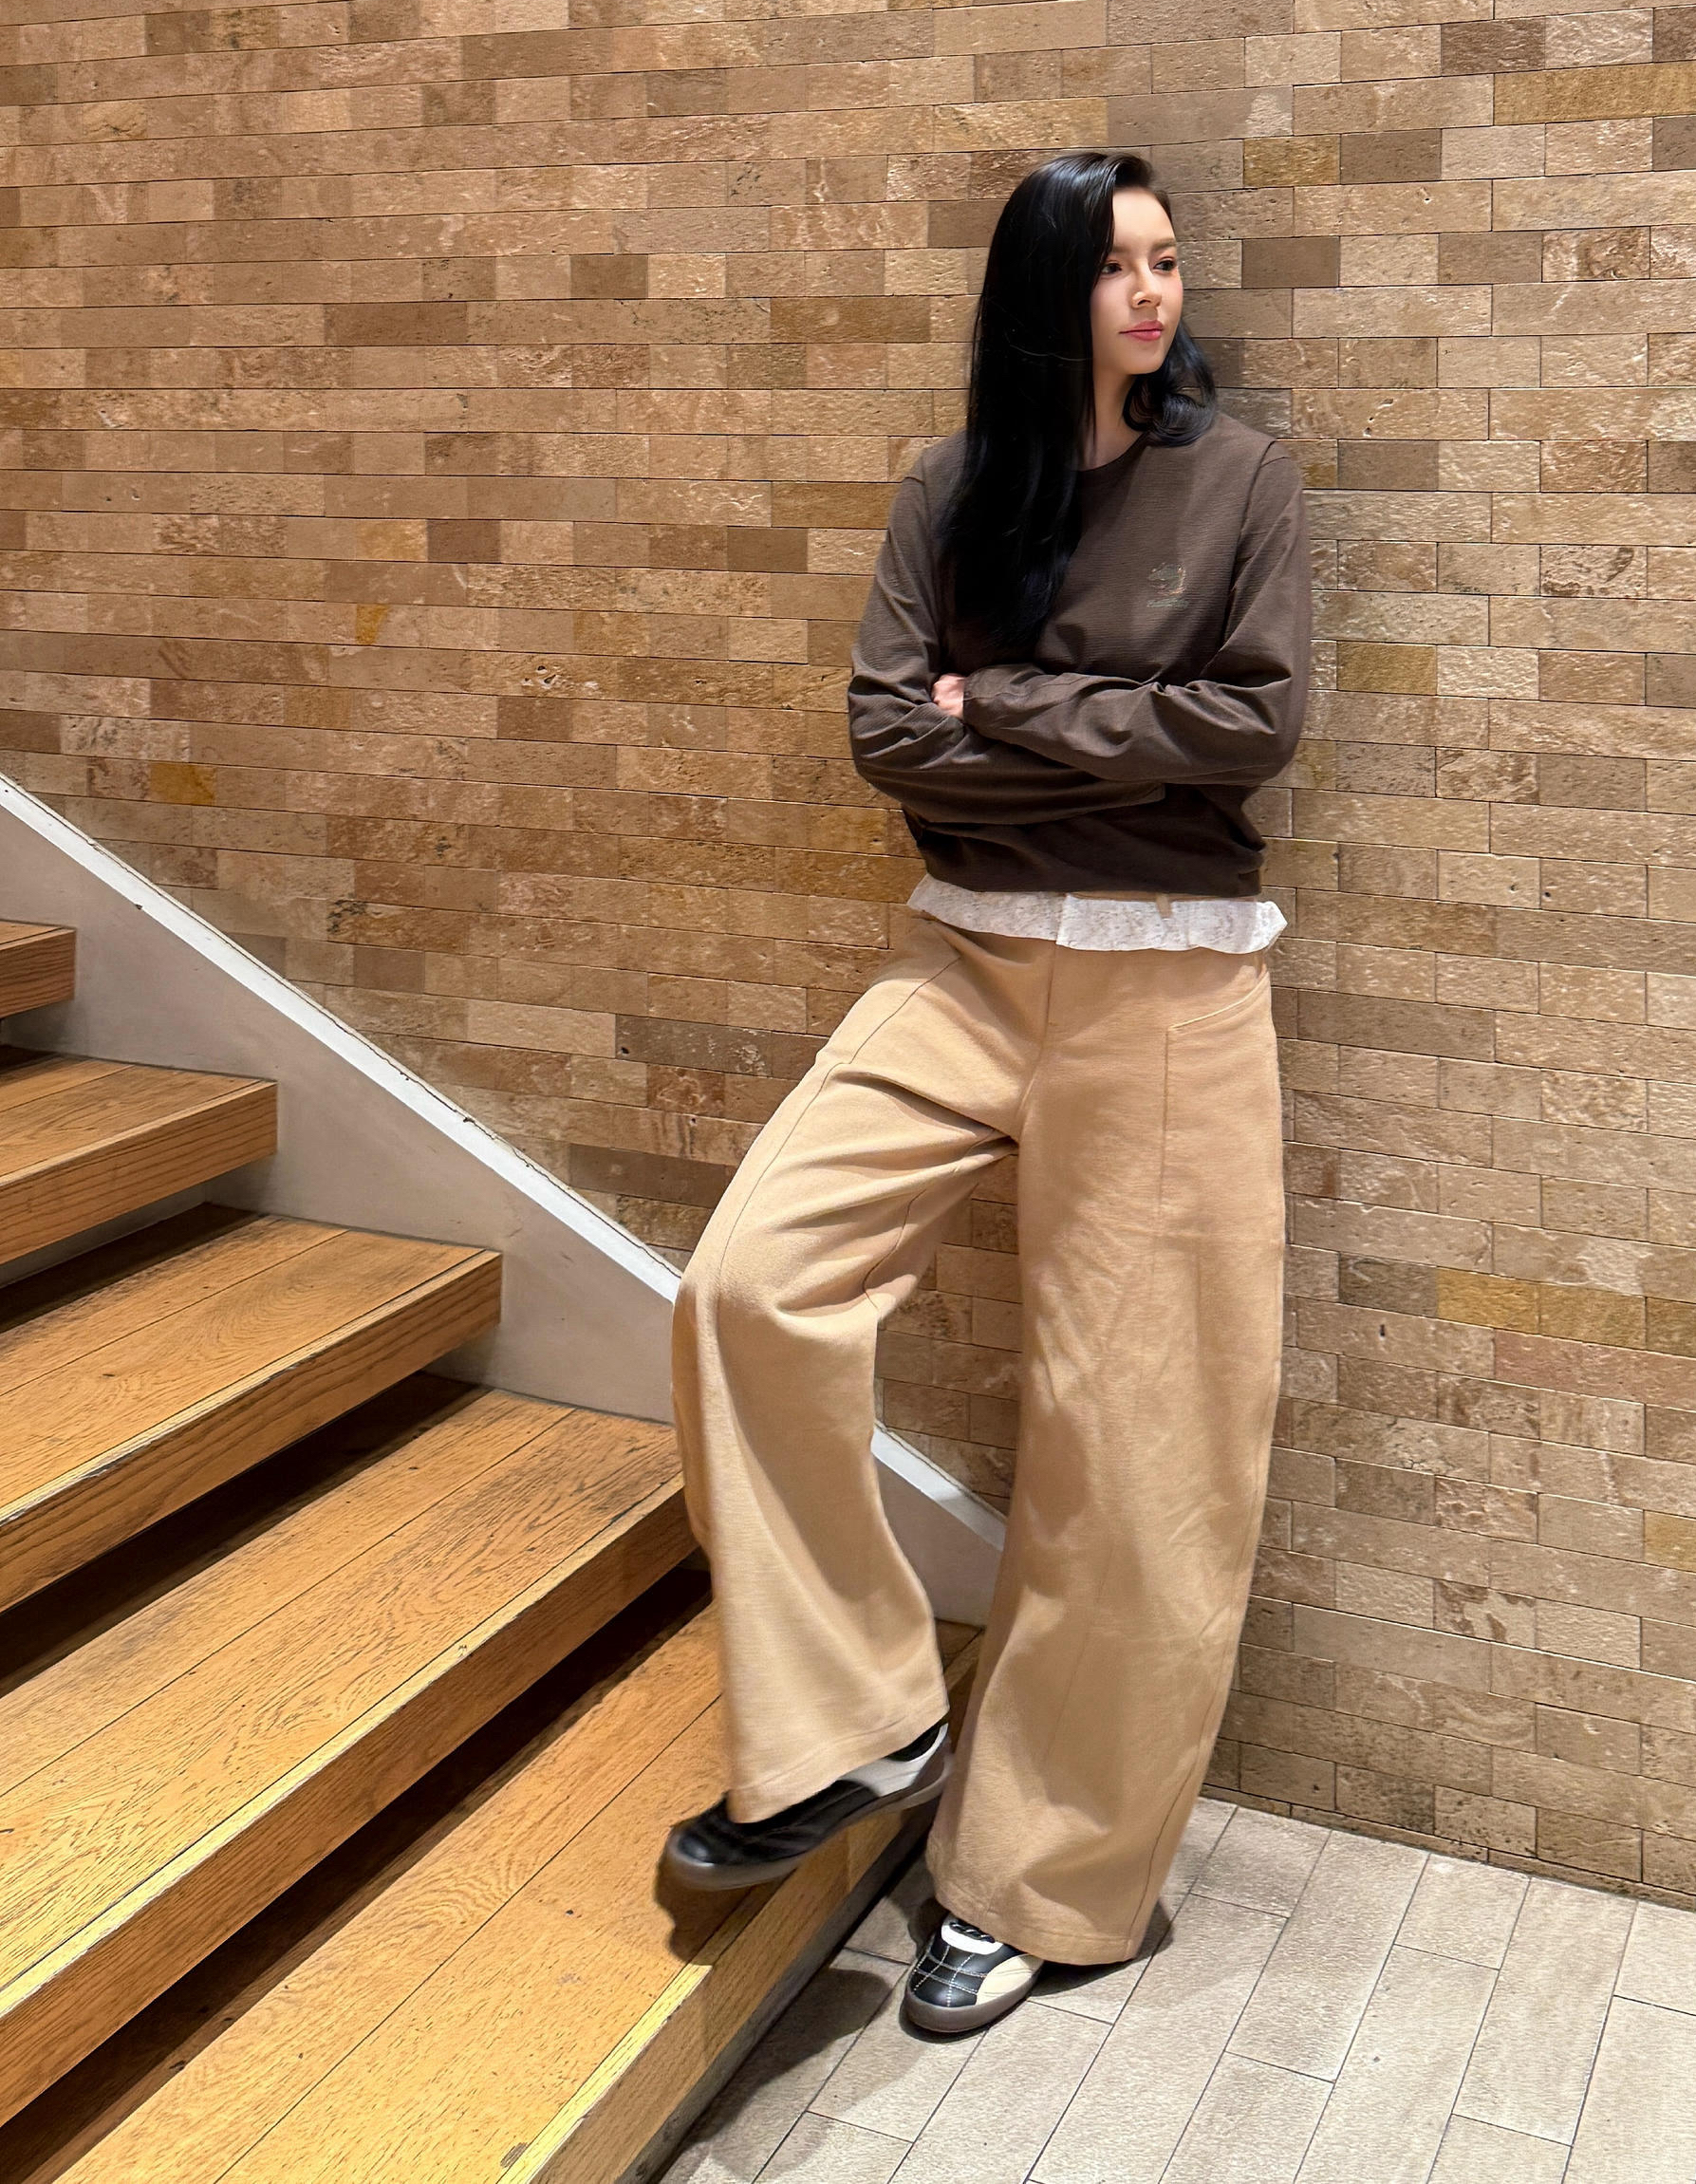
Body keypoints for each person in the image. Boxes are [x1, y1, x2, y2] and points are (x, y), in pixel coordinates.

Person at [662, 148, 1311, 2036]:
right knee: (748, 1287)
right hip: (958, 962)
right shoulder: (947, 493)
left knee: (1139, 1448)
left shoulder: (1241, 482)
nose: (1152, 295)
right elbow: (888, 740)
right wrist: (1097, 739)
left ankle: (1038, 1884)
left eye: (1166, 262)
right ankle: (849, 1728)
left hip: (1170, 988)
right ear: (1040, 293)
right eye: (1115, 267)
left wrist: (1003, 705)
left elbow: (1250, 730)